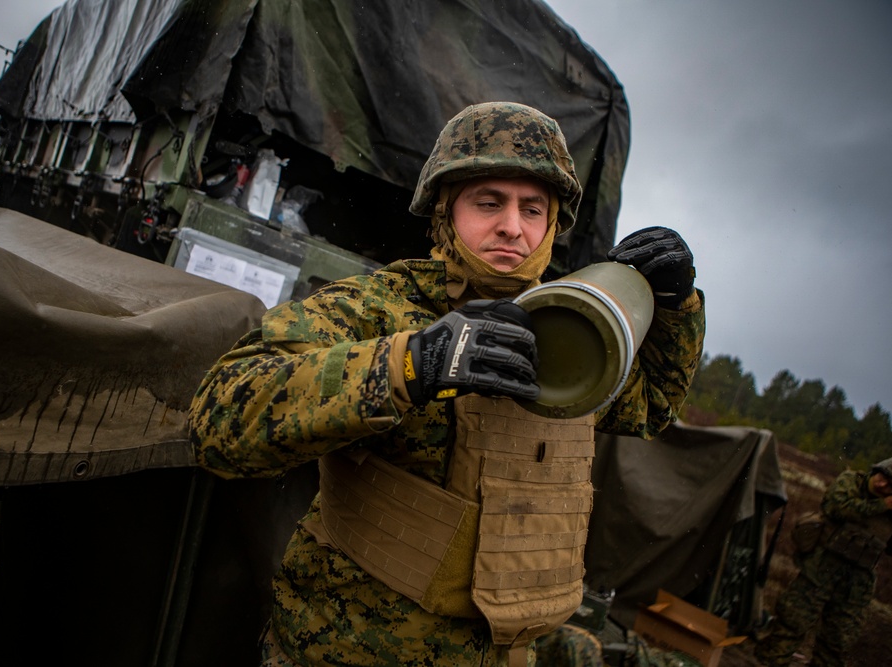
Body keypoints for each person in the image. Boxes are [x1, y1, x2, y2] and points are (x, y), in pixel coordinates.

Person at [189, 101, 705, 667]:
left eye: (534, 209)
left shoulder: (573, 334)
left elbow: (649, 406)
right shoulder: (381, 309)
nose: (513, 226)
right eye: (489, 203)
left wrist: (678, 309)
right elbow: (220, 421)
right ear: (444, 211)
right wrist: (411, 365)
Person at [755, 455, 892, 667]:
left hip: (857, 581)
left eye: (891, 485)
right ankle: (769, 663)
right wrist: (882, 505)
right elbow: (838, 507)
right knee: (792, 622)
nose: (881, 483)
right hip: (821, 566)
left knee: (838, 638)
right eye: (882, 476)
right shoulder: (851, 481)